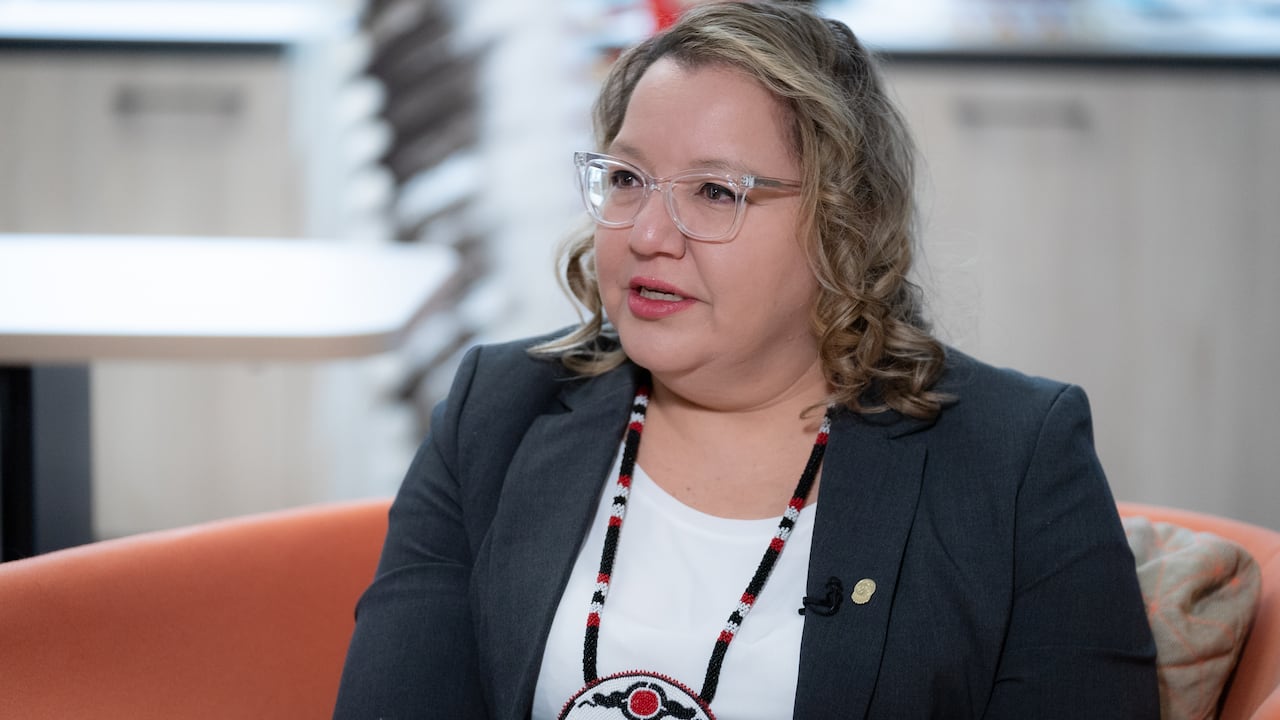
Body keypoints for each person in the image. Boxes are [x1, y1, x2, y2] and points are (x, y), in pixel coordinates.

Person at [334, 2, 1159, 718]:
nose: (648, 235)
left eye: (716, 192)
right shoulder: (496, 409)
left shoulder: (1015, 456)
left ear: (842, 224)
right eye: (627, 179)